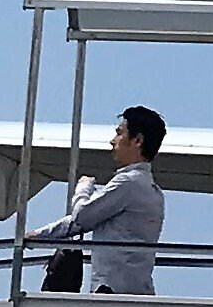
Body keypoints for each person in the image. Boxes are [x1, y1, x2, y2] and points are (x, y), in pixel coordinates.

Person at [31, 108, 167, 295]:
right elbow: (84, 219)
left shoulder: (128, 183)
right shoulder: (151, 189)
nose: (113, 141)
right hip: (137, 290)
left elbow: (82, 217)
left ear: (137, 141)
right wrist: (38, 235)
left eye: (120, 133)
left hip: (113, 290)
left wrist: (83, 187)